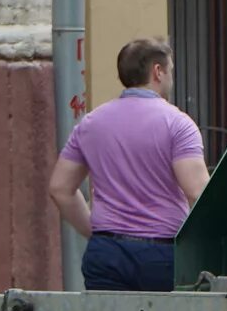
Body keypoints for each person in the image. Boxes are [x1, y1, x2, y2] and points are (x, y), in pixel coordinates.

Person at [47, 37, 210, 292]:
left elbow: (60, 188)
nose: (171, 78)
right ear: (158, 71)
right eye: (170, 71)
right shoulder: (178, 124)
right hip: (161, 254)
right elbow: (197, 193)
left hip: (106, 252)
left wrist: (95, 231)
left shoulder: (91, 123)